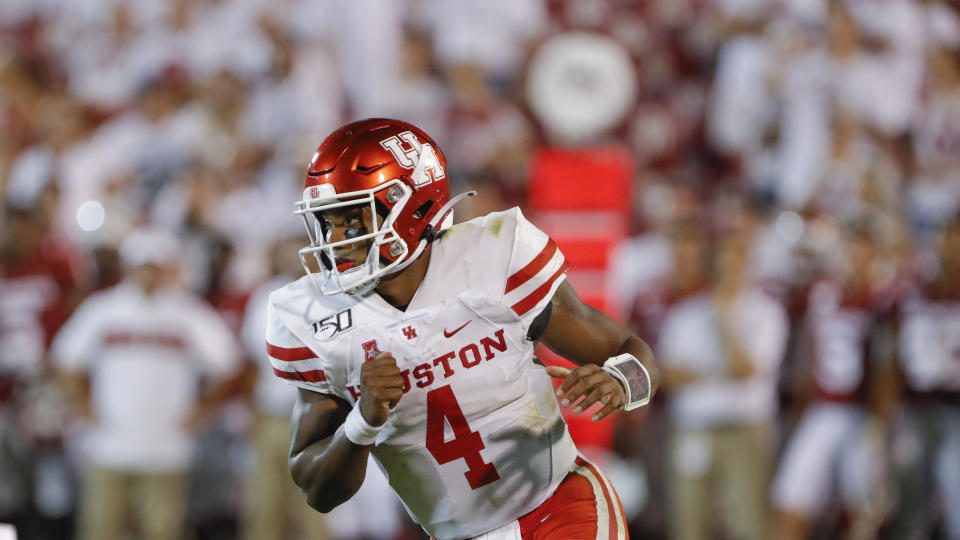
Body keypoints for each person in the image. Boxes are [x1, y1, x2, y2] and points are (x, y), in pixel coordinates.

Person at [264, 118, 660, 540]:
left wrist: (622, 379)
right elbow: (317, 490)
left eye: (352, 220)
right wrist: (362, 422)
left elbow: (630, 350)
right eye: (327, 222)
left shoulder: (494, 256)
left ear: (411, 207)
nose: (336, 239)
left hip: (558, 507)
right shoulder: (317, 319)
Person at [52, 228, 241, 540]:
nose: (148, 274)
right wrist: (83, 406)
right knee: (100, 530)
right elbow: (66, 358)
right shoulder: (104, 309)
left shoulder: (186, 312)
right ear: (129, 268)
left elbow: (227, 362)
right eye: (142, 266)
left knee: (162, 531)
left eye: (155, 266)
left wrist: (203, 409)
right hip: (109, 446)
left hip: (166, 449)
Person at [658, 227, 787, 540]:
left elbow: (746, 369)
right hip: (693, 427)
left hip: (744, 430)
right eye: (725, 263)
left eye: (738, 263)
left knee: (748, 525)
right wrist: (718, 373)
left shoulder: (766, 313)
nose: (732, 271)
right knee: (689, 525)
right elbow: (668, 376)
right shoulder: (684, 314)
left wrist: (725, 322)